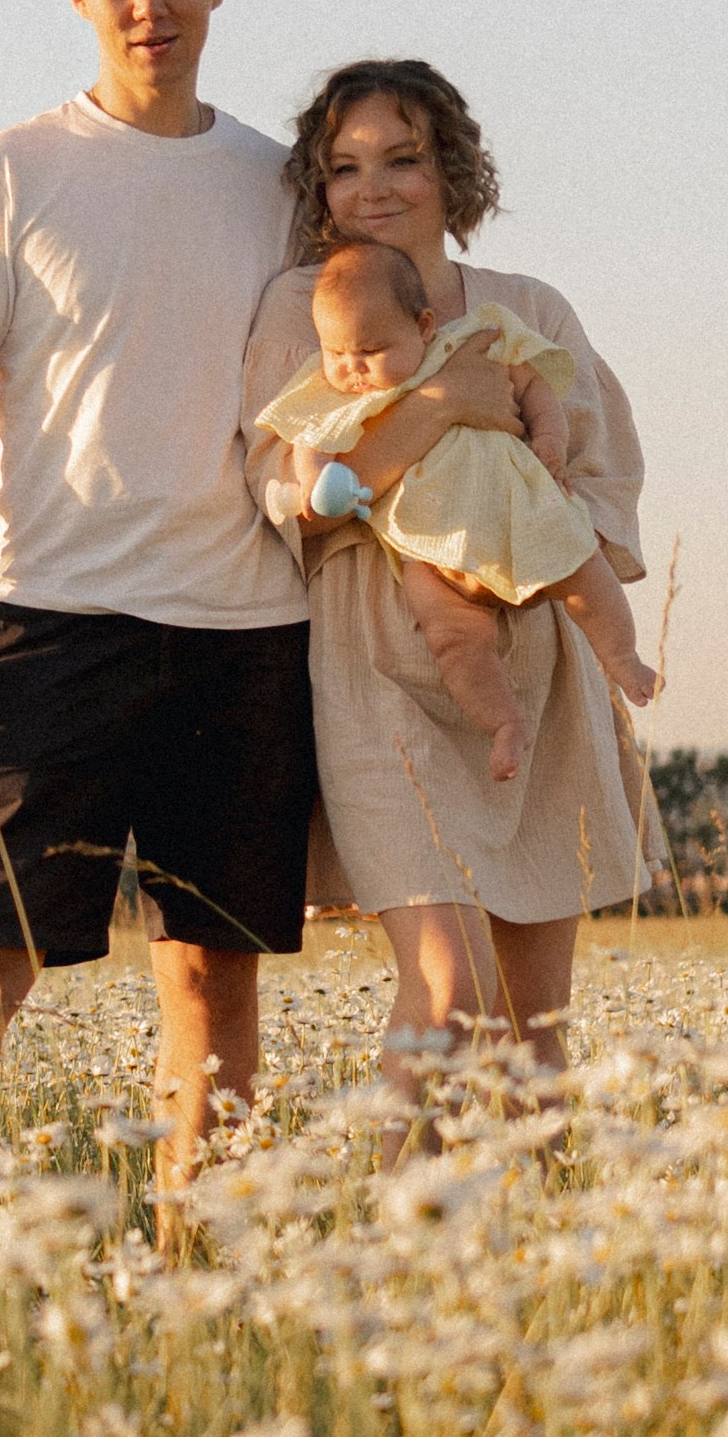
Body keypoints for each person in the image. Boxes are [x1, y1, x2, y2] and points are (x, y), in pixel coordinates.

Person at [0, 0, 340, 1235]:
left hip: (249, 634)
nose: (151, 6)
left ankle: (202, 1300)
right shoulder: (7, 171)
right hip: (54, 625)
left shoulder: (279, 185)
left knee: (213, 987)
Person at [242, 61, 662, 1128]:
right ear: (316, 188)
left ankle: (532, 1275)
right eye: (343, 167)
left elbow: (601, 474)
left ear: (451, 169)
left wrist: (533, 521)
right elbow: (289, 496)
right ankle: (391, 1254)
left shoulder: (528, 310)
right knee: (450, 992)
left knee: (532, 1024)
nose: (373, 186)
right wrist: (436, 410)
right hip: (379, 659)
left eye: (401, 158)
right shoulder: (306, 307)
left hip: (534, 657)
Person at [264, 236, 659, 782]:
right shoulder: (335, 394)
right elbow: (308, 439)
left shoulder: (468, 342)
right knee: (453, 640)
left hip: (517, 512)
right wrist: (314, 484)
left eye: (371, 351)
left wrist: (548, 438)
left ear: (424, 327)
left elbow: (533, 382)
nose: (353, 368)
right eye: (337, 354)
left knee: (582, 572)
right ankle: (503, 723)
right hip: (429, 545)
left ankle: (622, 656)